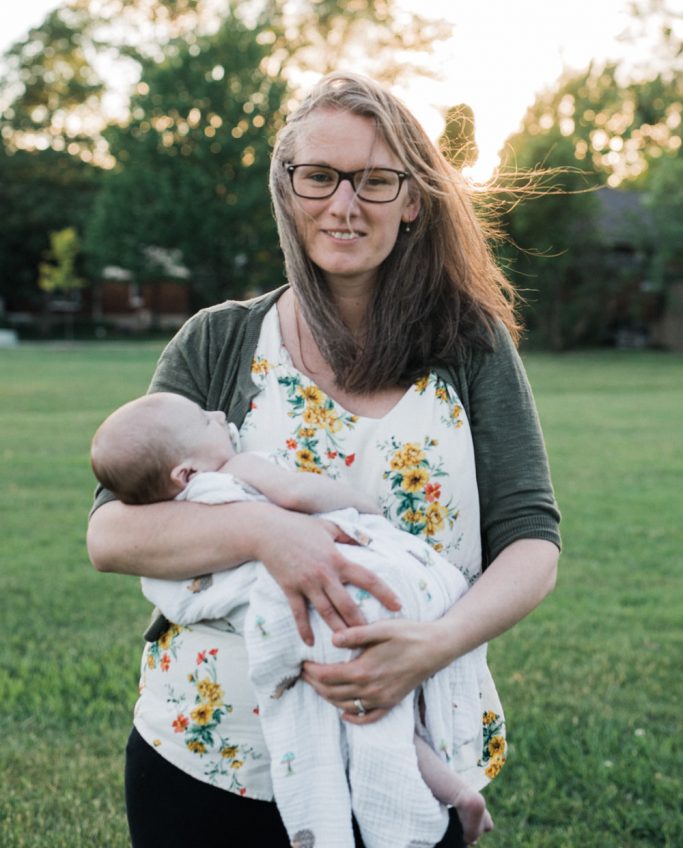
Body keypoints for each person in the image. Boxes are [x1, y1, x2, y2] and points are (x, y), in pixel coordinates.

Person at [87, 71, 561, 848]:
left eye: (375, 180)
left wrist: (432, 645)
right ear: (286, 187)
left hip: (413, 753)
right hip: (209, 758)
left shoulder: (470, 345)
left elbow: (532, 542)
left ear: (413, 199)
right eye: (319, 176)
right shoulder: (218, 340)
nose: (344, 204)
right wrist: (271, 536)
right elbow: (111, 536)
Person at [90, 390, 495, 847]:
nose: (220, 413)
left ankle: (447, 793)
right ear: (186, 472)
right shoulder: (237, 470)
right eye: (206, 421)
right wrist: (360, 506)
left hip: (286, 641)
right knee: (374, 704)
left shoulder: (175, 508)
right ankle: (452, 792)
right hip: (330, 599)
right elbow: (298, 493)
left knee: (369, 716)